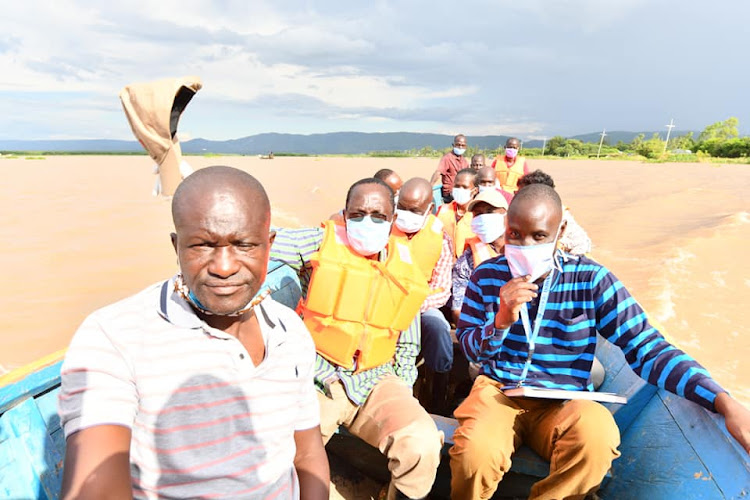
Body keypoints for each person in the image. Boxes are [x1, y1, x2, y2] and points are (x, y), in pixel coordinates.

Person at [449, 183, 750, 499]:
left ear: (560, 229)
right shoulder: (486, 276)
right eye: (514, 235)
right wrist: (501, 322)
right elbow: (470, 347)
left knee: (597, 438)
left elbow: (647, 347)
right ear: (505, 230)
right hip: (499, 391)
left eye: (538, 236)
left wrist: (722, 401)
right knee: (474, 453)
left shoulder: (590, 279)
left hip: (564, 400)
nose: (524, 246)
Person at [58, 166, 329, 499]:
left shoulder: (290, 331)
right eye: (202, 245)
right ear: (177, 246)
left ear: (269, 245)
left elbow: (307, 453)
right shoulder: (115, 336)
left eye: (244, 245)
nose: (224, 267)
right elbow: (95, 483)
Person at [271, 178, 443, 500]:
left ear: (392, 220)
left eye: (378, 216)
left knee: (421, 443)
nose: (368, 222)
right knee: (282, 449)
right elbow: (264, 243)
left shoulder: (406, 269)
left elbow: (408, 343)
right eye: (358, 214)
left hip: (377, 378)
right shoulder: (321, 242)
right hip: (317, 376)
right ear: (345, 215)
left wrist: (402, 389)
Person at [393, 178, 454, 414]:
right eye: (402, 208)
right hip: (384, 300)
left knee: (438, 327)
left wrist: (413, 306)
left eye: (414, 210)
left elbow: (441, 289)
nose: (406, 214)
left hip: (421, 303)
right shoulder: (385, 226)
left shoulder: (440, 236)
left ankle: (438, 394)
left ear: (430, 208)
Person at [450, 189, 508, 325]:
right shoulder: (467, 259)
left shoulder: (523, 250)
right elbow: (458, 310)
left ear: (506, 214)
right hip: (484, 328)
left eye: (489, 211)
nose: (483, 218)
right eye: (478, 214)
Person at [517, 169, 592, 255]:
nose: (517, 199)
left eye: (522, 195)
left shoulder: (560, 215)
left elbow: (582, 244)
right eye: (517, 194)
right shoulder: (516, 214)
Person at [436, 168, 478, 258]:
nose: (460, 189)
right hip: (444, 261)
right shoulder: (443, 209)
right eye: (457, 186)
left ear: (475, 191)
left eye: (465, 187)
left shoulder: (479, 214)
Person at [431, 134, 469, 203]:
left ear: (465, 147)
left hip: (461, 193)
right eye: (458, 145)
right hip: (449, 195)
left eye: (463, 145)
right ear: (453, 145)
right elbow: (438, 172)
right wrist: (430, 185)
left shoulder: (465, 162)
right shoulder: (447, 158)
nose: (460, 147)